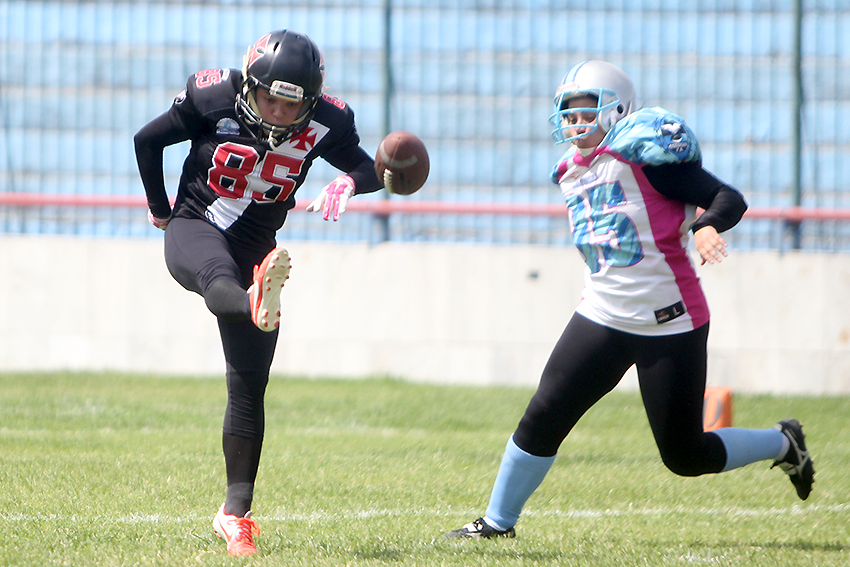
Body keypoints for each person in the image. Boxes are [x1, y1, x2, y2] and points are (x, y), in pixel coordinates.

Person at [444, 60, 815, 539]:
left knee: (684, 456)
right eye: (568, 113)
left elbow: (728, 197)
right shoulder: (568, 171)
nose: (575, 123)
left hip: (669, 322)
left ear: (618, 111)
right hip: (601, 314)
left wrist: (704, 227)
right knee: (543, 412)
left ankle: (782, 443)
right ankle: (497, 523)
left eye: (587, 111)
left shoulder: (648, 158)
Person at [134, 29, 383, 555]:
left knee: (248, 386)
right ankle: (251, 301)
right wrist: (159, 208)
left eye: (292, 105)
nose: (277, 113)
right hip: (196, 223)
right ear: (249, 85)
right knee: (219, 281)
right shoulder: (213, 97)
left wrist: (350, 182)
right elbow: (147, 139)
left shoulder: (327, 124)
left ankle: (235, 515)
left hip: (257, 249)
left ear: (311, 102)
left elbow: (369, 168)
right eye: (268, 97)